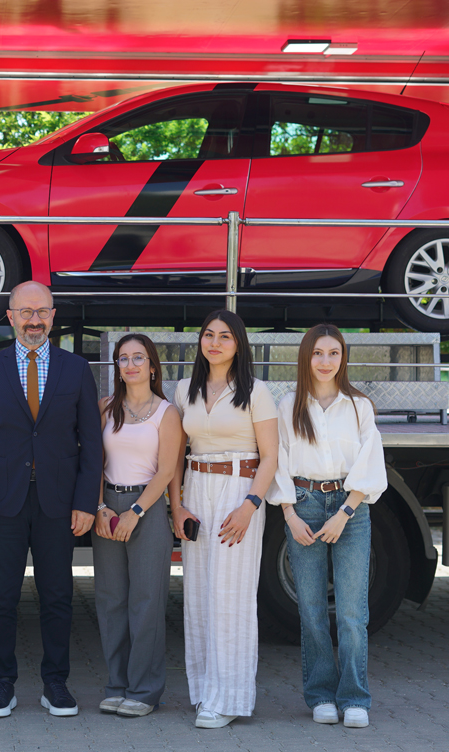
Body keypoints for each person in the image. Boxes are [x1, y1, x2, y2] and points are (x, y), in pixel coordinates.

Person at [0, 281, 103, 718]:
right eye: (25, 312)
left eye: (41, 311)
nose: (34, 320)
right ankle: (1, 684)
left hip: (58, 504)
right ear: (10, 317)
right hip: (3, 504)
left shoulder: (75, 369)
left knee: (58, 596)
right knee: (0, 597)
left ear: (53, 316)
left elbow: (91, 443)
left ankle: (55, 683)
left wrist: (86, 502)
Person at [269, 325, 386, 730]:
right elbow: (278, 460)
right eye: (318, 353)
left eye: (333, 353)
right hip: (303, 505)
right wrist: (289, 515)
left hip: (350, 508)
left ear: (343, 358)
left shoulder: (358, 406)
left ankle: (354, 698)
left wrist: (345, 512)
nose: (325, 361)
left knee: (352, 613)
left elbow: (370, 462)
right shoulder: (289, 405)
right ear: (306, 356)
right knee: (312, 610)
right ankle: (320, 694)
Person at [169, 308, 278, 728]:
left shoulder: (256, 390)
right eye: (208, 334)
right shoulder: (185, 389)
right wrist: (177, 505)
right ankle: (205, 693)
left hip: (239, 489)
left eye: (225, 336)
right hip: (196, 488)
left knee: (230, 595)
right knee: (199, 594)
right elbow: (175, 453)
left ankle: (229, 699)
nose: (214, 343)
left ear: (238, 344)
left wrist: (250, 505)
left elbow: (270, 456)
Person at [92, 333, 178, 718]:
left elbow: (167, 471)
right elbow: (94, 463)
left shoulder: (167, 413)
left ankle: (144, 690)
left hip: (147, 508)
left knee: (146, 602)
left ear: (152, 366)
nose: (130, 364)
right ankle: (116, 685)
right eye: (123, 358)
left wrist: (136, 512)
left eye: (138, 357)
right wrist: (100, 507)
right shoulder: (105, 407)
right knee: (111, 600)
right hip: (108, 507)